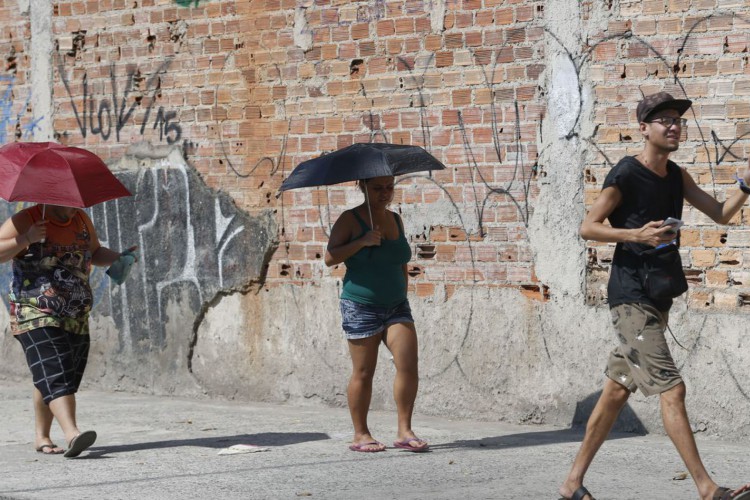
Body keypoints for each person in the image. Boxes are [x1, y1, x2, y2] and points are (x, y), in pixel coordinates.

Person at [559, 92, 750, 500]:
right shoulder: (626, 174)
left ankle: (572, 483)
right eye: (663, 119)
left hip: (657, 296)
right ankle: (707, 489)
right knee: (672, 389)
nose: (673, 125)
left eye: (677, 120)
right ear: (644, 128)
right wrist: (635, 234)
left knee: (615, 392)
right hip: (629, 297)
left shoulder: (677, 175)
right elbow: (587, 227)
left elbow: (720, 214)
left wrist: (746, 186)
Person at [0, 203, 136, 458]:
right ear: (51, 197)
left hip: (75, 315)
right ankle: (72, 433)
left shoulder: (81, 220)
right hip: (34, 312)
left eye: (78, 205)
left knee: (54, 373)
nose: (75, 208)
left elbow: (94, 252)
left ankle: (42, 436)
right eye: (69, 204)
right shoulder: (26, 219)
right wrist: (26, 238)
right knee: (56, 369)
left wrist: (118, 258)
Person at [324, 176, 428, 453]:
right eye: (377, 188)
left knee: (408, 365)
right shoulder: (350, 219)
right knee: (364, 371)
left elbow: (401, 262)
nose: (385, 193)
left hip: (396, 305)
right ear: (363, 187)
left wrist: (403, 294)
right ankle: (361, 434)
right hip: (360, 306)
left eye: (389, 187)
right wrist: (362, 241)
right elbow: (330, 258)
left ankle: (405, 431)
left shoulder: (396, 220)